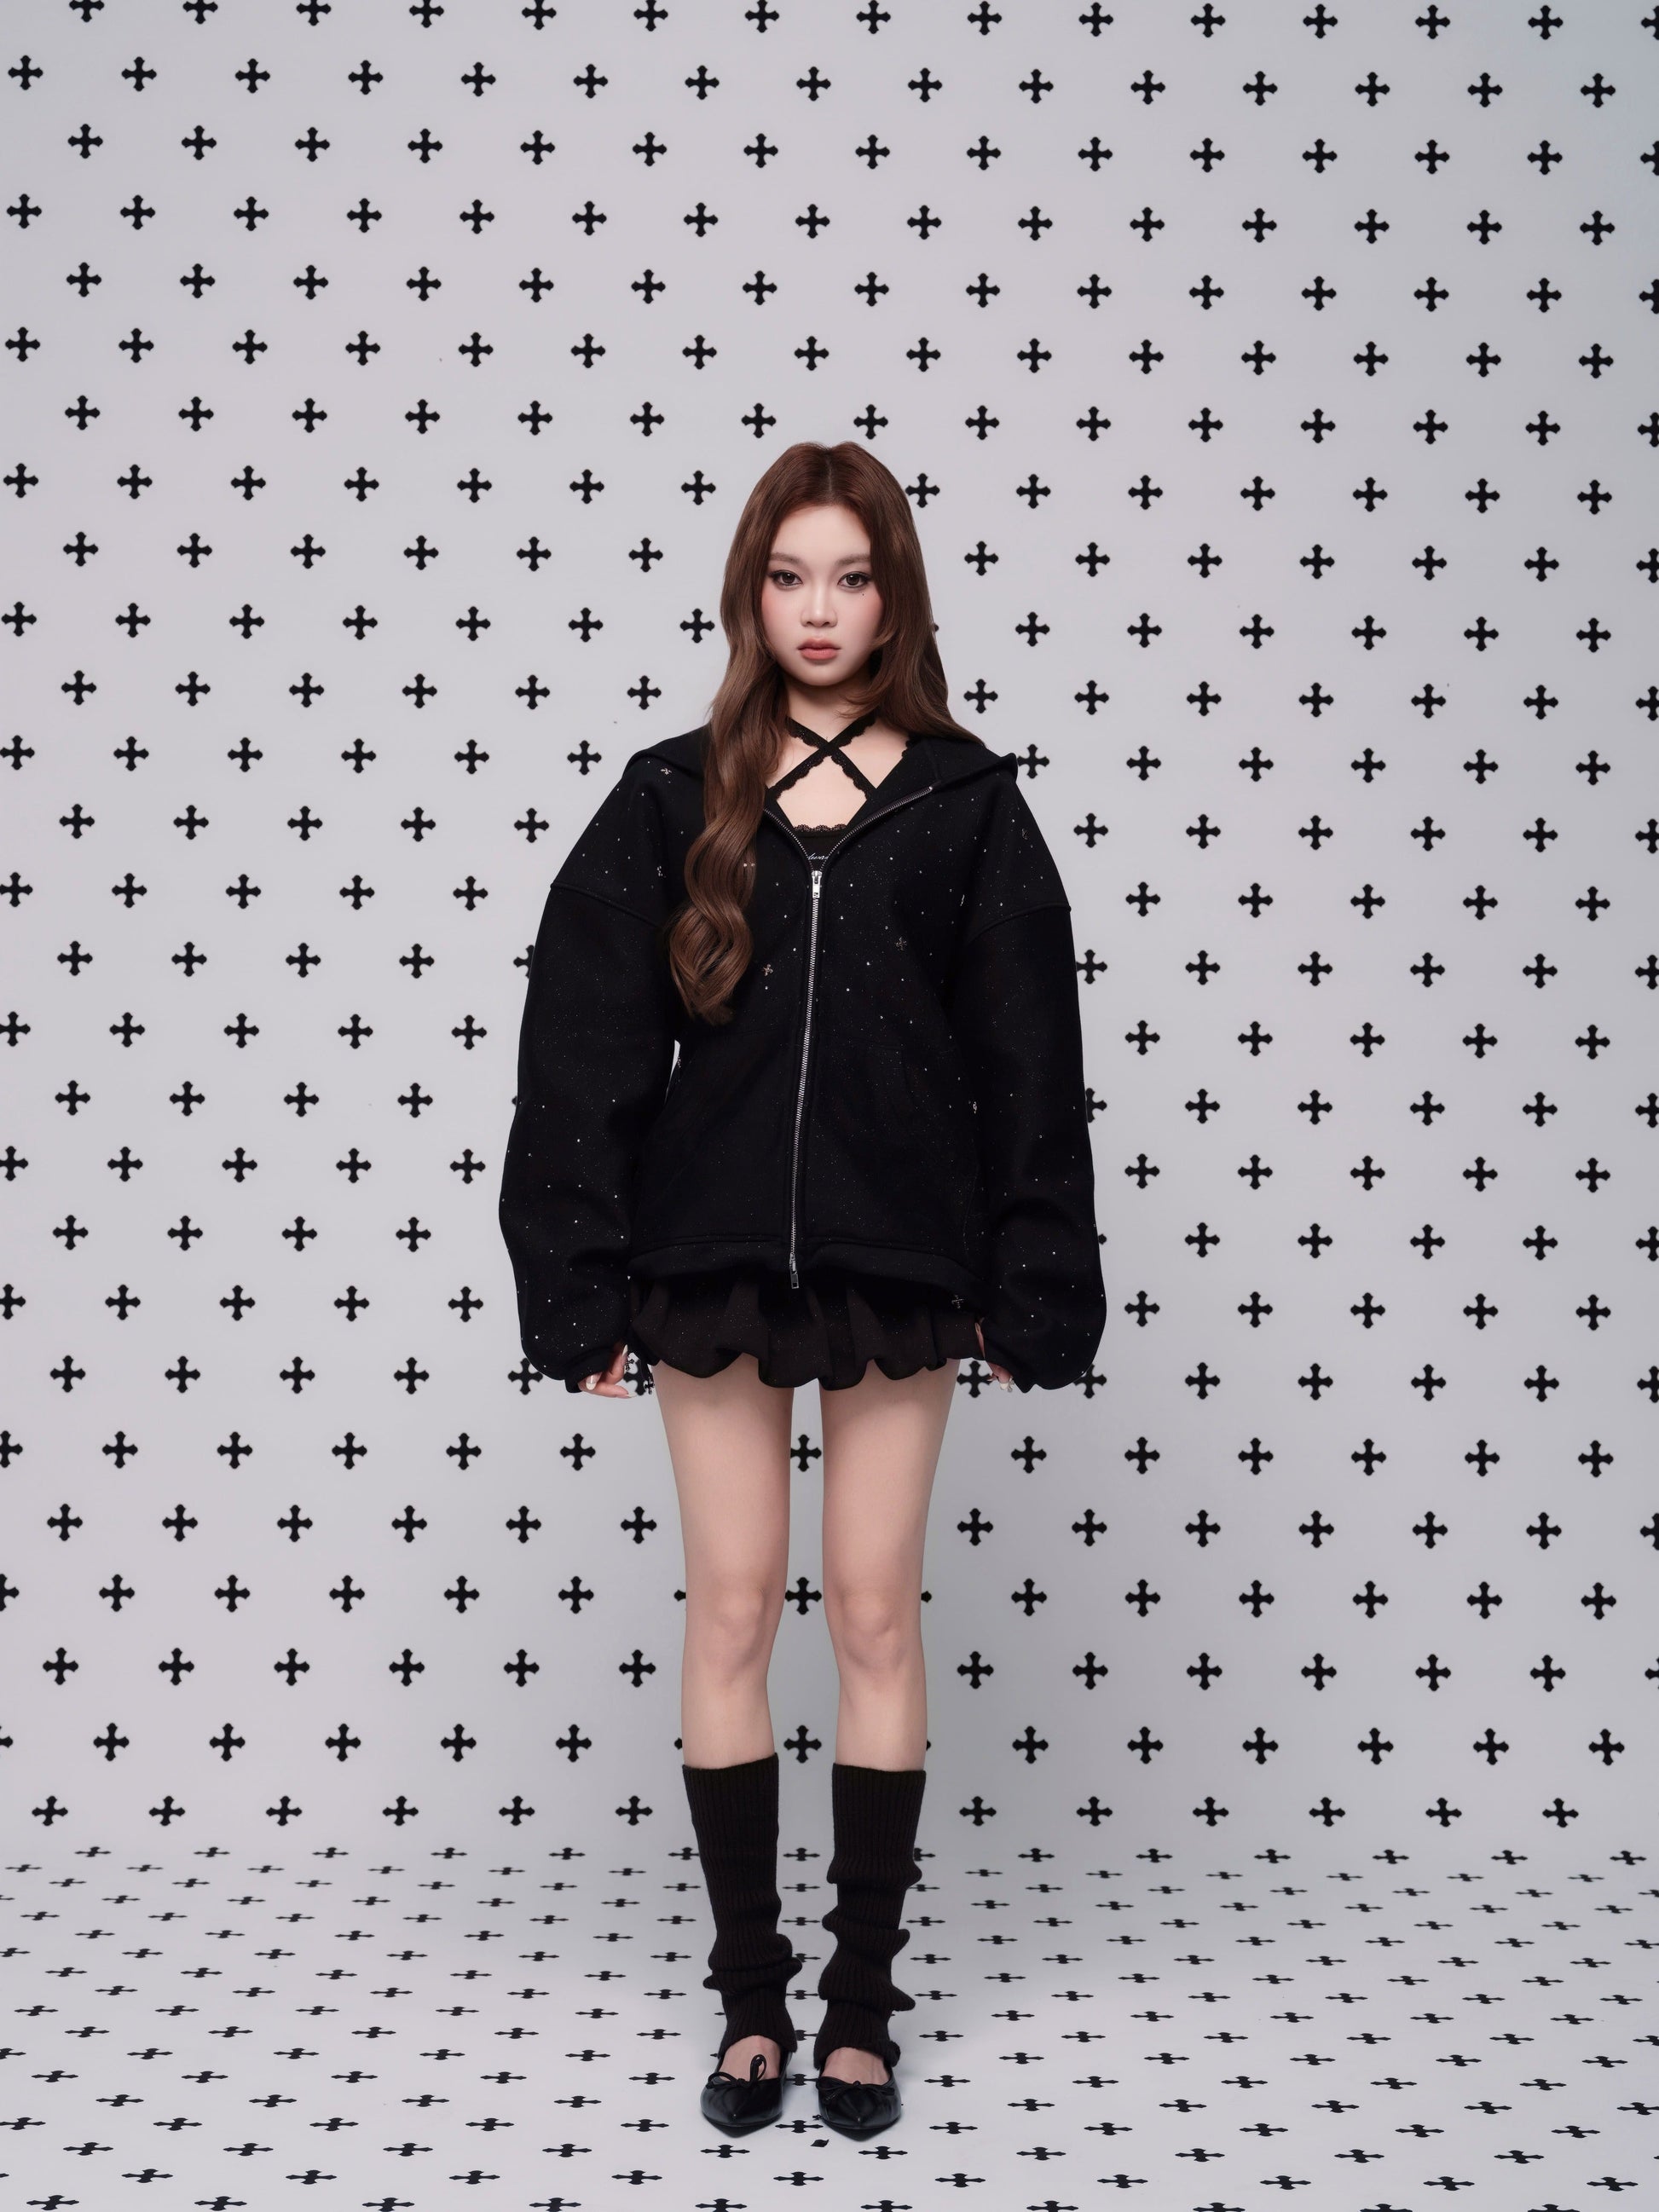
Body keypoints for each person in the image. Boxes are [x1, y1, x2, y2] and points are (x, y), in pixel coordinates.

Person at [498, 441, 1106, 2140]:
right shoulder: (668, 791)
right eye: (788, 577)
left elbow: (1031, 1063)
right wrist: (579, 1283)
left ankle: (859, 2009)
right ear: (747, 594)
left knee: (875, 1612)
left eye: (850, 577)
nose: (818, 609)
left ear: (893, 598)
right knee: (730, 1606)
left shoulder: (968, 802)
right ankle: (751, 1998)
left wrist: (1030, 1273)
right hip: (707, 1260)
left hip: (900, 1261)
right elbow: (580, 1051)